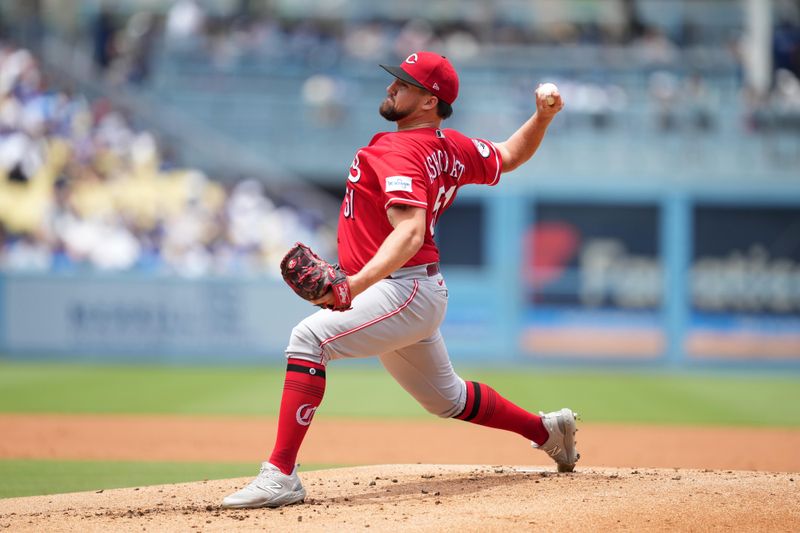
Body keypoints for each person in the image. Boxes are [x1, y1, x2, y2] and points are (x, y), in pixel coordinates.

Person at [222, 51, 578, 509]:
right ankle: (546, 429)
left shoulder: (401, 150)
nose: (392, 87)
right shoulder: (449, 147)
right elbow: (509, 155)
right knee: (444, 398)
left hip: (403, 288)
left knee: (308, 339)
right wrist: (541, 118)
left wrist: (354, 285)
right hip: (415, 290)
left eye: (404, 84)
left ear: (430, 100)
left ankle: (280, 475)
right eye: (395, 80)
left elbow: (409, 232)